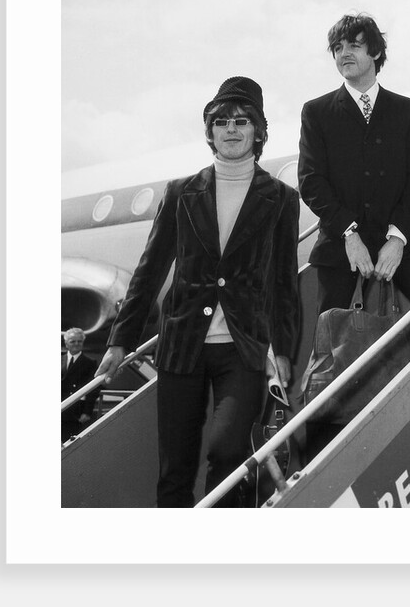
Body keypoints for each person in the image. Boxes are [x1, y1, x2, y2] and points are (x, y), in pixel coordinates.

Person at [95, 77, 300, 507]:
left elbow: (284, 280)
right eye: (221, 121)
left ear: (258, 131)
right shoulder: (181, 192)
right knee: (175, 471)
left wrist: (283, 350)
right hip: (182, 345)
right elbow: (149, 272)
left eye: (242, 121)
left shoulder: (281, 198)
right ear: (210, 132)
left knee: (228, 452)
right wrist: (119, 340)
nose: (231, 129)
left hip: (242, 349)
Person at [298, 13, 410, 454]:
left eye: (353, 45)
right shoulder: (316, 112)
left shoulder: (404, 109)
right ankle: (320, 458)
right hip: (340, 243)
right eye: (337, 48)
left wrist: (397, 238)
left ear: (375, 52)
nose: (344, 53)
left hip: (400, 237)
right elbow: (311, 181)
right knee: (331, 351)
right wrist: (348, 233)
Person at [61, 327, 98, 443]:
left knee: (69, 444)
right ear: (66, 344)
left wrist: (87, 411)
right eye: (73, 341)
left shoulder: (90, 363)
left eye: (79, 341)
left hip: (76, 411)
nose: (76, 344)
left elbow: (93, 389)